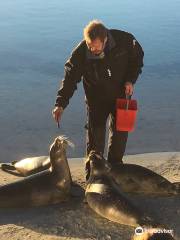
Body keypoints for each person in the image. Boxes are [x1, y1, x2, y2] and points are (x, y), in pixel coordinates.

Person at [52, 20, 144, 180]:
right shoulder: (81, 52)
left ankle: (115, 173)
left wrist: (130, 80)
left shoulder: (124, 41)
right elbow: (70, 79)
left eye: (95, 46)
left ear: (105, 39)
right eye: (89, 45)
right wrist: (60, 104)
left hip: (121, 96)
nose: (92, 49)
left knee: (120, 138)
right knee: (95, 143)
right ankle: (93, 179)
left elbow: (137, 58)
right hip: (96, 101)